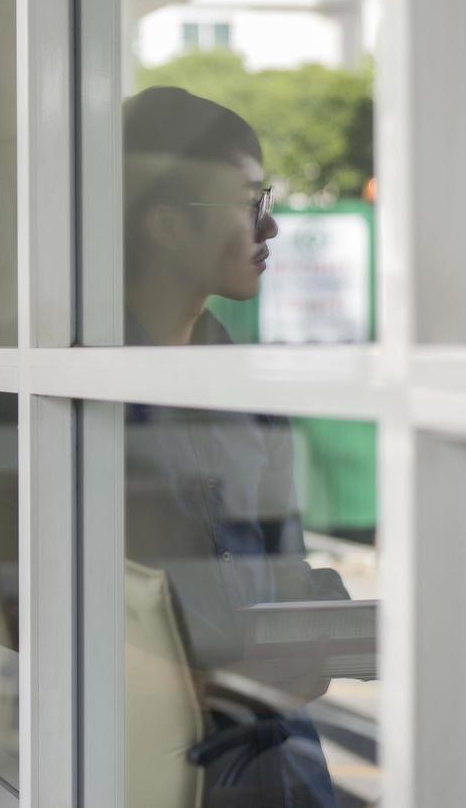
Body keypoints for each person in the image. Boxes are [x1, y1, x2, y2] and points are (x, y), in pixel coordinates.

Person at [121, 86, 351, 807]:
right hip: (144, 769)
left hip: (282, 771)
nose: (272, 226)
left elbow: (285, 574)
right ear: (165, 225)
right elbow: (19, 614)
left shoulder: (251, 396)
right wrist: (202, 685)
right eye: (249, 202)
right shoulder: (59, 398)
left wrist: (326, 630)